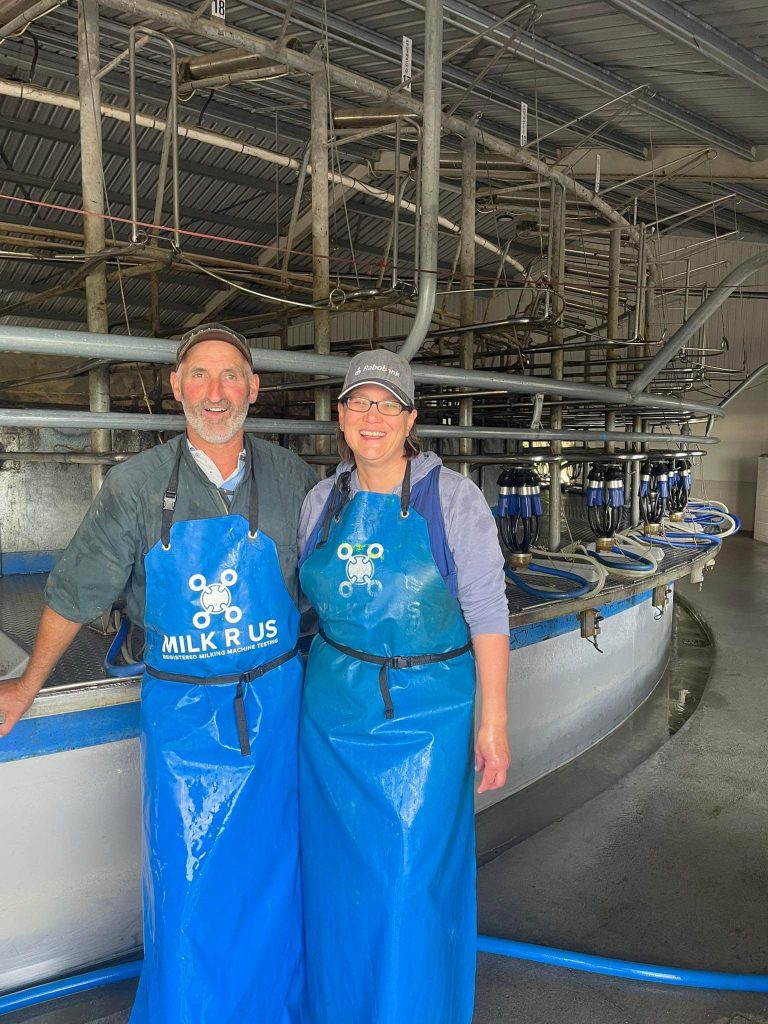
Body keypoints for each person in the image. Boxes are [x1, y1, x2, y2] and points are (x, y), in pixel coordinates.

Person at [0, 324, 317, 1024]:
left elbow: (329, 589)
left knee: (278, 874)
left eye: (230, 375)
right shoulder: (138, 486)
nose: (214, 392)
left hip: (276, 711)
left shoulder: (295, 478)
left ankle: (277, 1008)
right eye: (198, 376)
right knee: (190, 883)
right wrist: (25, 687)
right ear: (174, 388)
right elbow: (76, 593)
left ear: (253, 388)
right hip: (185, 724)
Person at [297, 348, 511, 1024]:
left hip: (428, 719)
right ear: (340, 416)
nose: (372, 416)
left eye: (387, 404)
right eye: (359, 402)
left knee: (408, 887)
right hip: (332, 721)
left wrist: (493, 721)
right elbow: (308, 606)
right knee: (335, 887)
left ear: (410, 418)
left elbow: (487, 610)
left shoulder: (452, 501)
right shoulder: (320, 503)